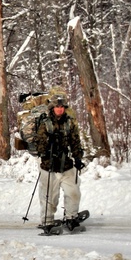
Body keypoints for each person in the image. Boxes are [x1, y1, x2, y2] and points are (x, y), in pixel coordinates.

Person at [35, 91, 86, 229]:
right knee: (50, 197)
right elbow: (38, 146)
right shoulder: (44, 124)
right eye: (57, 107)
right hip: (49, 166)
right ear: (52, 108)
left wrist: (78, 158)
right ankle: (47, 221)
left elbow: (75, 143)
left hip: (66, 164)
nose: (60, 109)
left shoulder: (69, 123)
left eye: (62, 107)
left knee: (73, 192)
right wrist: (47, 142)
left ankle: (71, 217)